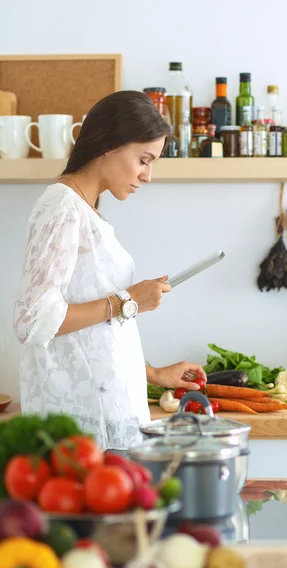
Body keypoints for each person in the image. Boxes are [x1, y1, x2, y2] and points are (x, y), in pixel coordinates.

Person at [13, 90, 206, 451]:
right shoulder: (63, 208)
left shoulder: (84, 209)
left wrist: (153, 374)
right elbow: (32, 319)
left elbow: (88, 339)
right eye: (143, 160)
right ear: (110, 145)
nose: (147, 176)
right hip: (82, 426)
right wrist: (127, 300)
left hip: (104, 412)